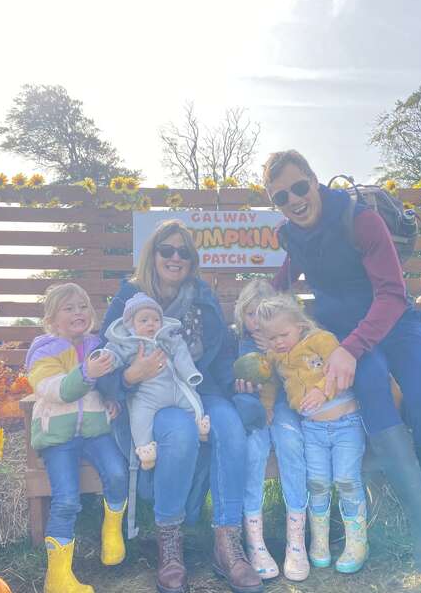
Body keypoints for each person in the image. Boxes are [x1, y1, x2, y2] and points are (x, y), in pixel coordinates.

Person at [264, 150, 421, 580]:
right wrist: (255, 312)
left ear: (315, 181)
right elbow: (284, 280)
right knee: (371, 386)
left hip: (394, 324)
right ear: (276, 204)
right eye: (281, 196)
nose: (294, 199)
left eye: (300, 187)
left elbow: (392, 295)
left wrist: (350, 348)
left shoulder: (360, 222)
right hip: (347, 339)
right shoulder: (292, 235)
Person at [97, 219, 262, 593]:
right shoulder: (129, 296)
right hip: (149, 398)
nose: (175, 257)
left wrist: (235, 382)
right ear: (152, 254)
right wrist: (128, 377)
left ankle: (227, 543)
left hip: (198, 390)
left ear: (192, 259)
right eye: (166, 250)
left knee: (231, 428)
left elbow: (219, 354)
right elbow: (101, 358)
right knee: (181, 431)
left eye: (183, 251)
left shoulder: (201, 295)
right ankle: (169, 541)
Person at [26, 283, 129, 593]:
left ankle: (111, 533)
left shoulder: (97, 344)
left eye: (83, 306)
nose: (78, 313)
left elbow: (106, 383)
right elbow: (60, 391)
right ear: (52, 319)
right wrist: (88, 372)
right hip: (58, 435)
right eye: (69, 308)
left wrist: (110, 398)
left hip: (95, 430)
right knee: (67, 499)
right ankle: (57, 577)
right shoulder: (44, 351)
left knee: (117, 473)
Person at [258, 294, 368, 574]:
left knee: (346, 479)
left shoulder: (320, 339)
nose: (279, 342)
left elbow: (340, 369)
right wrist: (267, 407)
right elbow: (270, 384)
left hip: (345, 423)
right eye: (271, 338)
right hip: (312, 429)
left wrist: (323, 390)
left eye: (283, 334)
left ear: (299, 325)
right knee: (317, 482)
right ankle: (319, 542)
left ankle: (357, 542)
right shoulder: (275, 357)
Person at [233, 279, 309, 581]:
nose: (256, 322)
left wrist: (276, 355)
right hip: (252, 407)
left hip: (284, 405)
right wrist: (239, 386)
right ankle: (255, 541)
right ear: (242, 315)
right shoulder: (238, 342)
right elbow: (232, 376)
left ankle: (296, 541)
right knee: (254, 449)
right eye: (250, 314)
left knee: (290, 442)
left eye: (262, 316)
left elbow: (298, 375)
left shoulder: (284, 341)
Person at [101, 292, 210, 469]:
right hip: (146, 393)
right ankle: (146, 451)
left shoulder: (167, 338)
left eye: (155, 320)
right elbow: (114, 354)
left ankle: (200, 424)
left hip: (173, 385)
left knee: (192, 398)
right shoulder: (128, 343)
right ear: (131, 325)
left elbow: (181, 353)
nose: (150, 324)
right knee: (139, 418)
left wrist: (190, 373)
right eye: (143, 321)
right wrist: (108, 359)